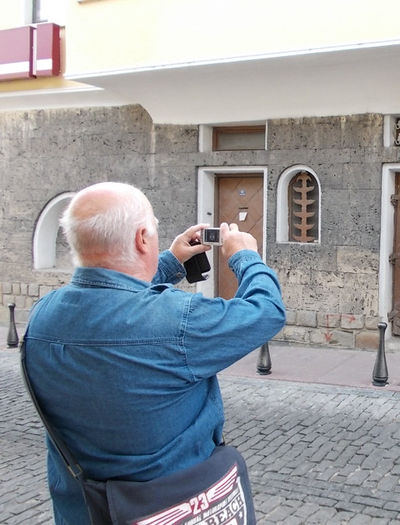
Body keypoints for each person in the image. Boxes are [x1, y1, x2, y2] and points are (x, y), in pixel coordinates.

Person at [23, 182, 286, 524]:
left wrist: (172, 261)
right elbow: (266, 311)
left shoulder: (43, 316)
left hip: (86, 510)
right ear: (142, 238)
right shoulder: (178, 321)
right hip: (169, 509)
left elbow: (114, 294)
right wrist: (244, 255)